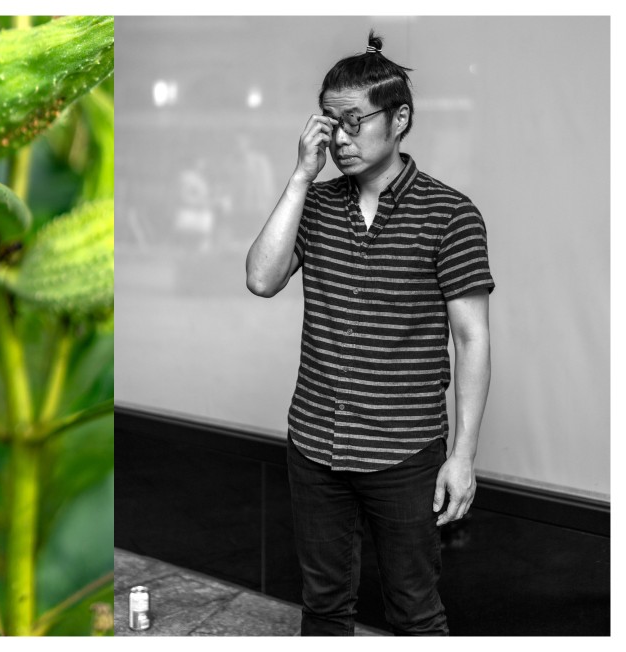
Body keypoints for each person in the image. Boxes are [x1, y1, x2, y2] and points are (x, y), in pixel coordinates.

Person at [245, 30, 494, 636]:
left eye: (354, 122)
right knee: (324, 608)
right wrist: (301, 177)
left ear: (399, 118)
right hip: (314, 444)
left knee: (414, 612)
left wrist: (461, 457)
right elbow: (260, 278)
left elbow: (472, 340)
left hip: (404, 452)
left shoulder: (450, 214)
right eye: (330, 123)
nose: (340, 139)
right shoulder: (318, 205)